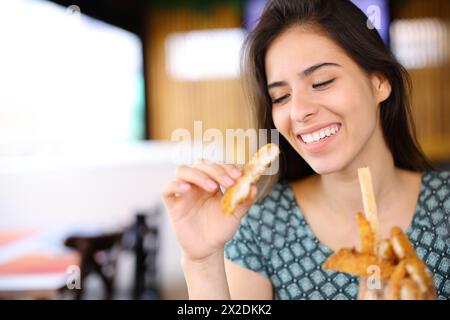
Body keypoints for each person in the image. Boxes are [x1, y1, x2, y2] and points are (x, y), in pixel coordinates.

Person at [161, 0, 449, 300]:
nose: (298, 111)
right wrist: (202, 262)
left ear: (379, 82)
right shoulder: (261, 224)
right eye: (281, 96)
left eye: (321, 82)